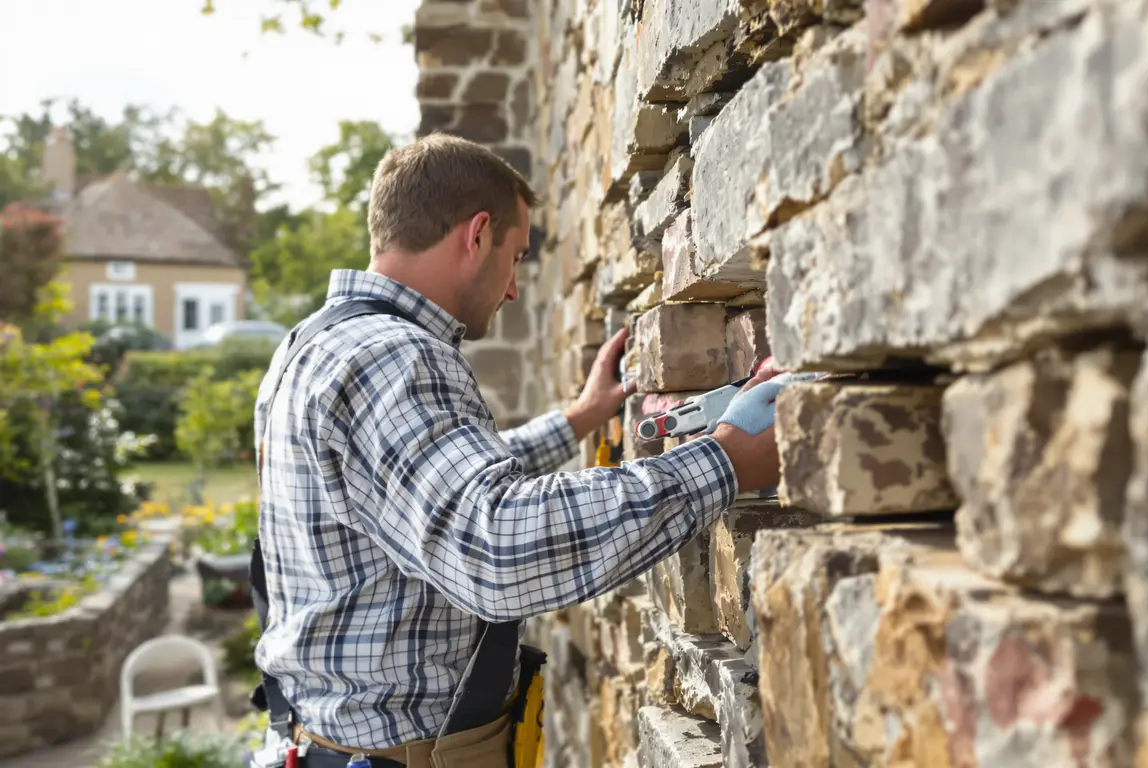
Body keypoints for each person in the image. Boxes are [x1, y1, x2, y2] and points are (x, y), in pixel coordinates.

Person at [250, 134, 786, 768]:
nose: (511, 289)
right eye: (517, 256)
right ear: (477, 234)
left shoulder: (315, 343)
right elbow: (495, 549)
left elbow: (417, 490)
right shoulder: (392, 357)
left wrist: (580, 418)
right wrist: (722, 463)